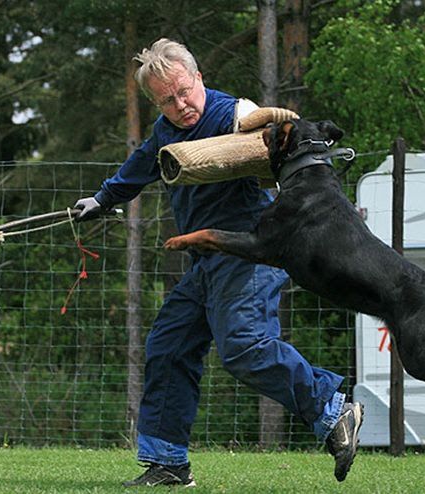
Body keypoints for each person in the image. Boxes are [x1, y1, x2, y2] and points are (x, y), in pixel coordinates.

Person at [74, 38, 363, 487]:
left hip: (250, 253)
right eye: (167, 100)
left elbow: (270, 126)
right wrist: (101, 199)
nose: (181, 104)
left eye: (184, 90)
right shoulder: (165, 131)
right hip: (206, 260)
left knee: (245, 347)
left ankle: (331, 406)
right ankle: (168, 462)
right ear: (156, 102)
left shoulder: (233, 114)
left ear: (199, 78)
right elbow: (139, 165)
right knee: (168, 347)